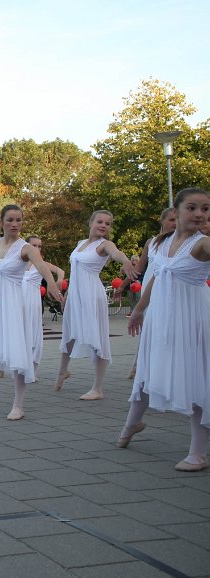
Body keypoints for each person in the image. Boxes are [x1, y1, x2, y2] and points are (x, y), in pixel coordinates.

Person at [121, 188, 210, 471]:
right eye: (192, 208)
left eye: (205, 209)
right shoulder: (161, 243)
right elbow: (156, 278)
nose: (199, 214)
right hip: (160, 316)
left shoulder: (202, 243)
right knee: (148, 368)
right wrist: (138, 310)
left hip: (193, 318)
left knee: (197, 378)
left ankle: (197, 453)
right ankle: (132, 423)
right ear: (177, 211)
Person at [0, 204, 64, 421]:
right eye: (10, 220)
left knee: (17, 351)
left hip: (13, 304)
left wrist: (52, 283)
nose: (14, 224)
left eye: (18, 220)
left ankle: (18, 405)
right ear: (1, 222)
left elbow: (42, 267)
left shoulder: (26, 248)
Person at [54, 211, 138, 400]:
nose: (103, 225)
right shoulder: (80, 244)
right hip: (76, 295)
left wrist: (125, 261)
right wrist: (68, 295)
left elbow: (116, 253)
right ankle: (62, 371)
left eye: (108, 223)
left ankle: (98, 388)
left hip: (92, 295)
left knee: (97, 338)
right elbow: (75, 271)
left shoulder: (104, 244)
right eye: (100, 221)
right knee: (68, 333)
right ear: (91, 222)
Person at [127, 207, 178, 379]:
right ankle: (139, 365)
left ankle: (164, 367)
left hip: (170, 289)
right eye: (172, 219)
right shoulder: (152, 242)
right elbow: (139, 268)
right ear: (162, 221)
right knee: (147, 327)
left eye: (178, 220)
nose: (175, 223)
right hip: (150, 288)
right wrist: (122, 285)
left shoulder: (181, 242)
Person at [22, 236, 64, 377]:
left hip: (33, 303)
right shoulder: (17, 262)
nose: (37, 249)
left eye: (40, 246)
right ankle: (17, 366)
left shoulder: (41, 264)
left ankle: (33, 370)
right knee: (19, 334)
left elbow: (60, 272)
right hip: (18, 303)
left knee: (34, 334)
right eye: (34, 245)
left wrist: (58, 282)